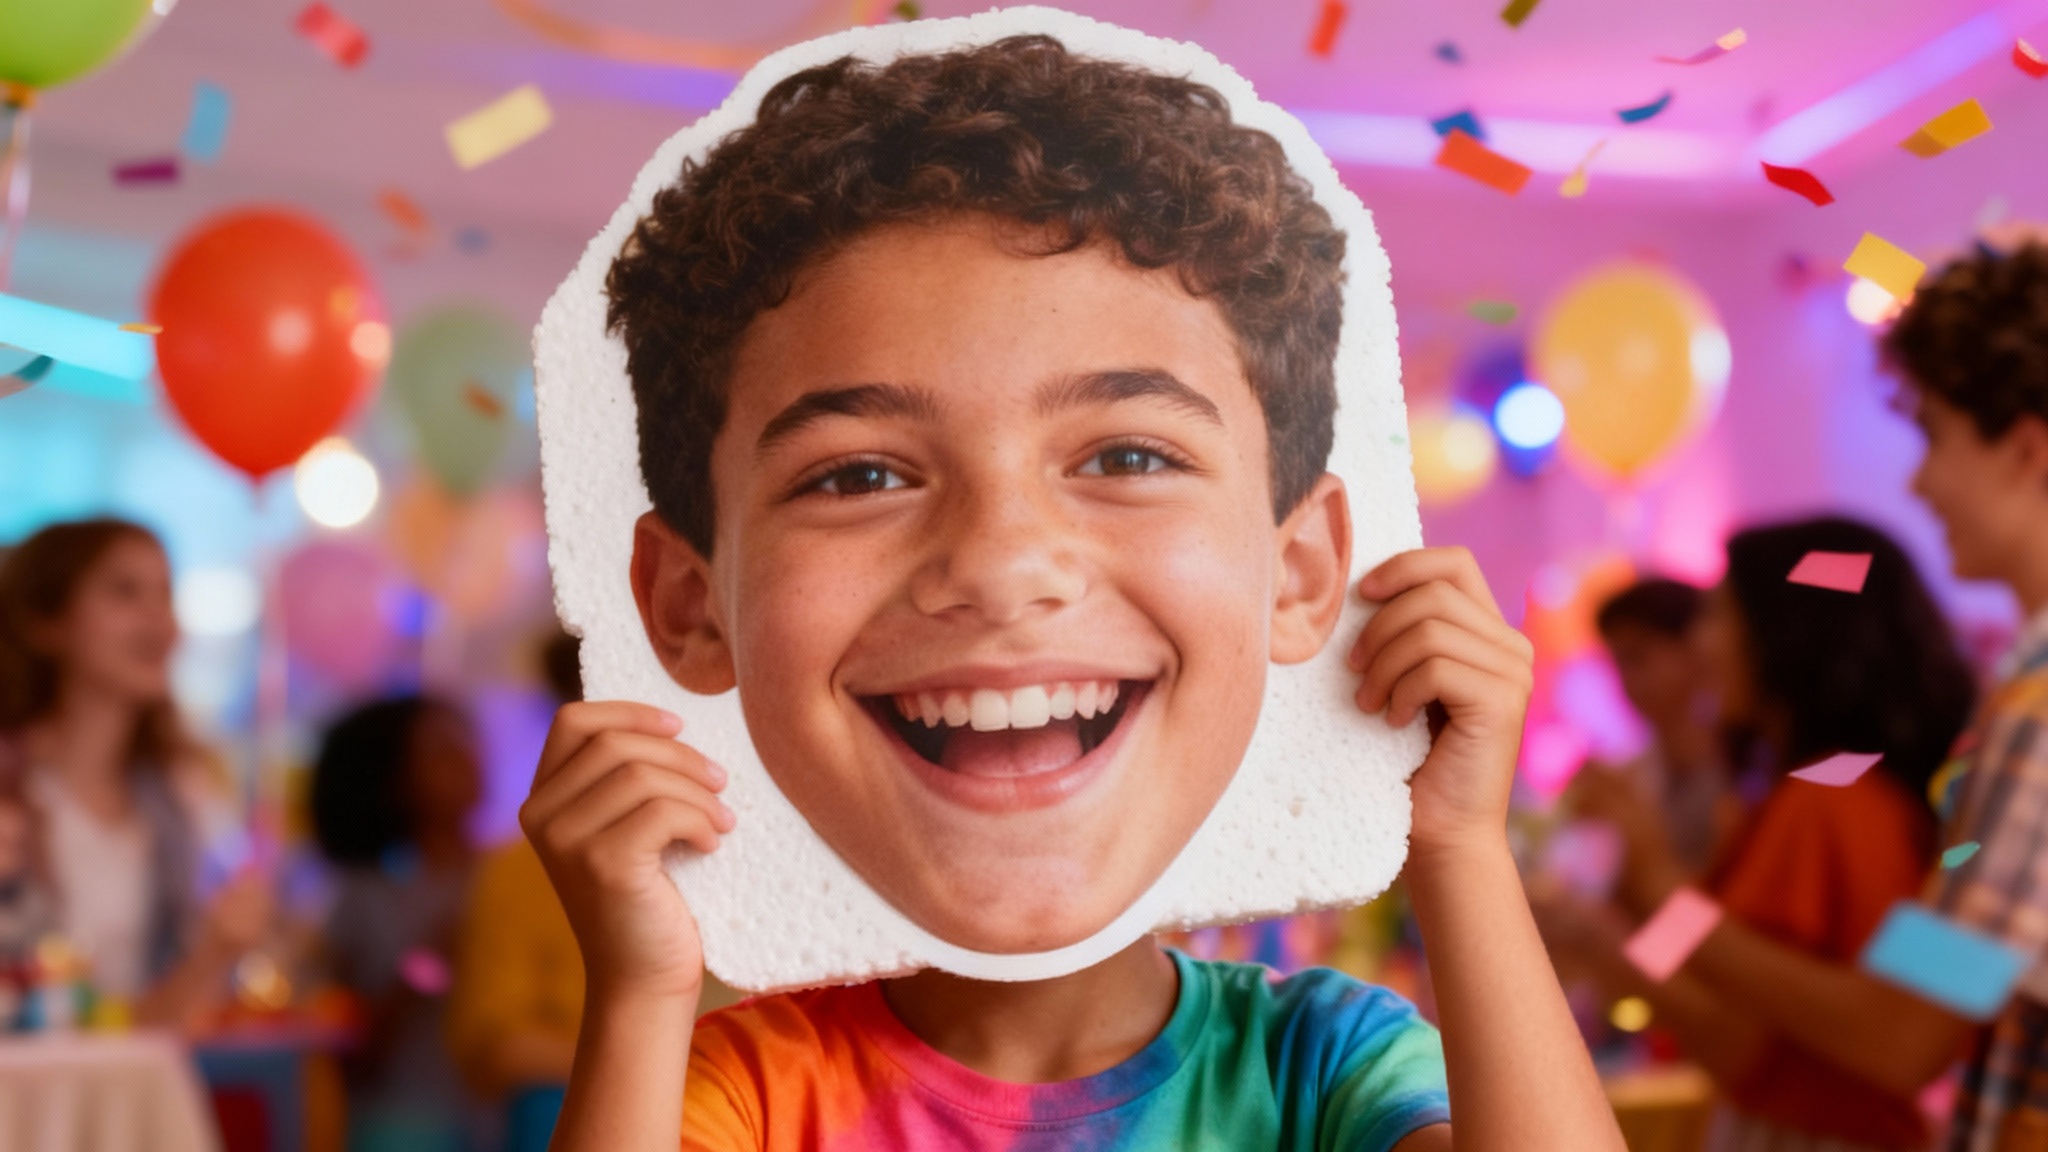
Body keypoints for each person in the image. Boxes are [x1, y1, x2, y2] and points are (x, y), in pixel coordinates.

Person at [526, 36, 1621, 1151]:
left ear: (1295, 573)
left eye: (1127, 458)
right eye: (859, 475)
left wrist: (1459, 852)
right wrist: (640, 993)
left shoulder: (1322, 1069)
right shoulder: (743, 1096)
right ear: (688, 605)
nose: (1002, 567)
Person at [1544, 516, 1976, 1150]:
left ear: (1790, 632)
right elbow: (1718, 968)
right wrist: (1624, 915)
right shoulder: (1821, 790)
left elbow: (1742, 1039)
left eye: (1721, 615)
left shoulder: (1834, 804)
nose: (1703, 643)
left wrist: (1651, 892)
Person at [0, 517, 269, 1027]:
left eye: (165, 595)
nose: (157, 621)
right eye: (124, 593)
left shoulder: (184, 800)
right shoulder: (11, 789)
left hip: (130, 1094)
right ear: (46, 622)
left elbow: (160, 1022)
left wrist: (219, 952)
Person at [311, 695, 485, 1152]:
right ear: (395, 779)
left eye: (468, 742)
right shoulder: (364, 895)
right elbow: (351, 1045)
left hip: (500, 1115)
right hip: (404, 1120)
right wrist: (430, 964)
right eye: (442, 750)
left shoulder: (509, 874)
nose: (469, 758)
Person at [1571, 578, 1734, 912]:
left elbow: (1724, 924)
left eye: (1639, 657)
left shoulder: (1748, 775)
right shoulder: (1629, 774)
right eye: (1618, 663)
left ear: (1695, 650)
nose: (1628, 680)